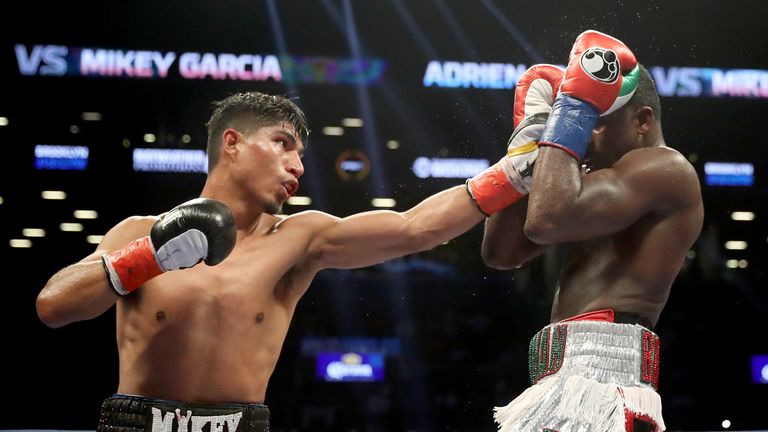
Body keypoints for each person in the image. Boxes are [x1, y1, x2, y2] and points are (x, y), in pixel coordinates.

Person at [36, 91, 535, 432]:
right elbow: (53, 306)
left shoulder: (300, 238)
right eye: (282, 144)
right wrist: (146, 258)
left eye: (299, 153)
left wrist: (514, 173)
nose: (297, 165)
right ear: (232, 143)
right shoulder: (138, 232)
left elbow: (415, 228)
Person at [482, 31, 704, 431]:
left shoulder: (667, 170)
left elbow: (546, 220)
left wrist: (571, 110)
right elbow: (502, 252)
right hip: (563, 377)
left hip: (606, 381)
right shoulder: (589, 183)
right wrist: (531, 136)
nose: (587, 133)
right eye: (584, 120)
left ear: (642, 121)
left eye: (596, 121)